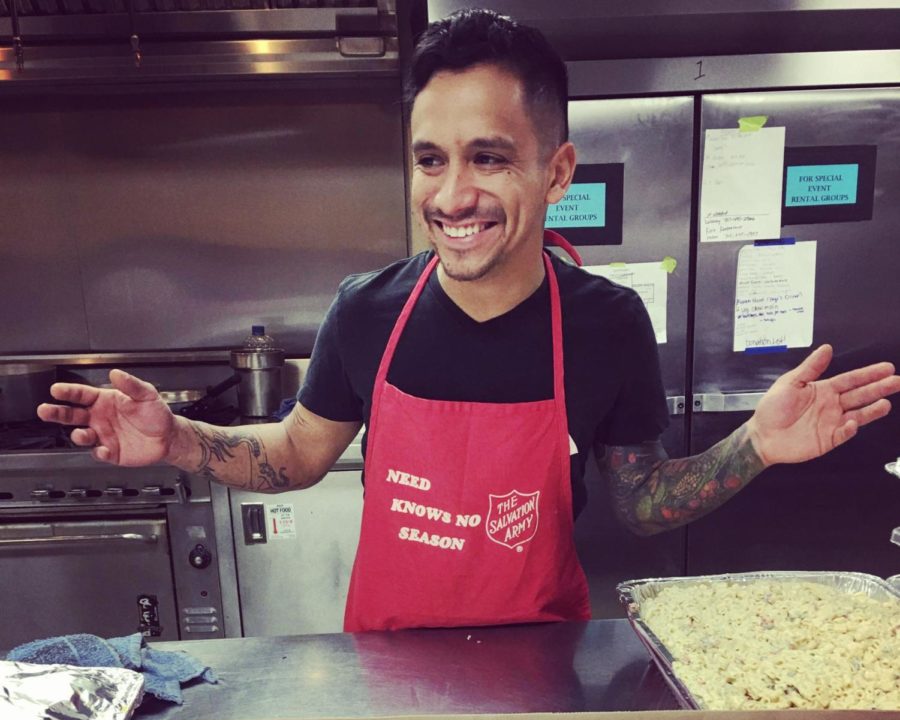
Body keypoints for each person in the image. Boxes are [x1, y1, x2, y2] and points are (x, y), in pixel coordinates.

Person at [38, 10, 900, 632]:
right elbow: (297, 457)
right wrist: (182, 441)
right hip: (386, 669)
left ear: (557, 171)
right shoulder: (367, 310)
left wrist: (753, 444)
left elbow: (640, 502)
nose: (452, 197)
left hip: (541, 670)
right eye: (430, 160)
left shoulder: (606, 324)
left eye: (489, 158)